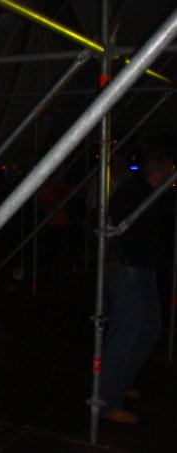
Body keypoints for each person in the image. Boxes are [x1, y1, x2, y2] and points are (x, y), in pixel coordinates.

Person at [100, 149, 173, 424]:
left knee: (149, 329)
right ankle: (108, 401)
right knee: (125, 334)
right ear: (159, 173)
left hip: (141, 269)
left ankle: (121, 382)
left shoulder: (145, 193)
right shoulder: (136, 192)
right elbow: (114, 227)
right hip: (128, 270)